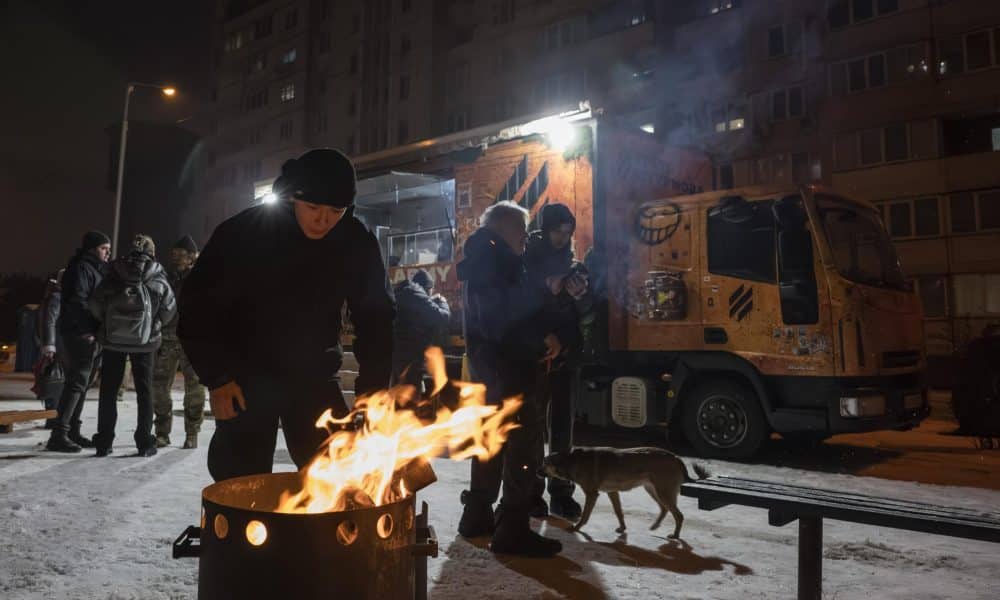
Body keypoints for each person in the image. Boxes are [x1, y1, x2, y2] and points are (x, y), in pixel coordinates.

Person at [178, 148, 395, 482]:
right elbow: (198, 308)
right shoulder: (246, 232)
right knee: (241, 484)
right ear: (294, 197)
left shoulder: (354, 241)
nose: (323, 220)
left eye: (335, 211)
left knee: (337, 478)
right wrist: (217, 378)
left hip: (314, 378)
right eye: (313, 208)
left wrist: (372, 395)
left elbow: (377, 319)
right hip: (245, 379)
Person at [456, 200, 564, 557]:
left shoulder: (485, 259)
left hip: (490, 369)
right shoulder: (496, 261)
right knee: (521, 443)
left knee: (489, 442)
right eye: (521, 230)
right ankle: (513, 529)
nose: (525, 238)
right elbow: (503, 319)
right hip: (508, 369)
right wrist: (540, 337)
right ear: (505, 228)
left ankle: (478, 515)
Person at [522, 203, 593, 521]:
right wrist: (548, 288)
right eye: (558, 231)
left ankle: (561, 493)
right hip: (537, 354)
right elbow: (520, 305)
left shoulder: (572, 262)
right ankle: (531, 492)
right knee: (533, 428)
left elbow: (587, 313)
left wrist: (581, 295)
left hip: (568, 354)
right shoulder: (527, 258)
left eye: (568, 233)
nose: (563, 238)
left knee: (563, 428)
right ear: (544, 228)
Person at [89, 234, 176, 457]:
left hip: (113, 341)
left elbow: (96, 303)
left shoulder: (114, 272)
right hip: (146, 342)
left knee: (108, 391)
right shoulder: (157, 275)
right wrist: (154, 325)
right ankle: (145, 442)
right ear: (152, 252)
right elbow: (169, 309)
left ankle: (104, 442)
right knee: (145, 393)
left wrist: (107, 325)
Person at [47, 231, 111, 452]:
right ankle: (59, 433)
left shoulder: (94, 268)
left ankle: (73, 430)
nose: (108, 252)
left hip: (92, 333)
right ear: (92, 249)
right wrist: (86, 331)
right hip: (80, 334)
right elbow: (77, 301)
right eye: (104, 248)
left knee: (82, 384)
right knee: (76, 383)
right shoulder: (81, 268)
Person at [152, 235, 207, 449]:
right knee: (160, 387)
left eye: (180, 255)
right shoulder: (165, 277)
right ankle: (162, 432)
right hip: (167, 338)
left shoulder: (201, 278)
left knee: (194, 388)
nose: (175, 259)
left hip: (192, 340)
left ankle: (192, 432)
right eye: (173, 255)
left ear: (192, 257)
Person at [392, 270, 450, 391]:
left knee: (398, 398)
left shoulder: (404, 293)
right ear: (428, 288)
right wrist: (443, 302)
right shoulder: (415, 295)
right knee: (410, 398)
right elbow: (441, 317)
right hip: (410, 359)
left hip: (396, 357)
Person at [33, 270, 65, 428]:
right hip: (56, 347)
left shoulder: (52, 296)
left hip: (55, 345)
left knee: (54, 381)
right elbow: (49, 321)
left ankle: (53, 417)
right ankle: (53, 418)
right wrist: (50, 346)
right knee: (55, 381)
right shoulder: (57, 297)